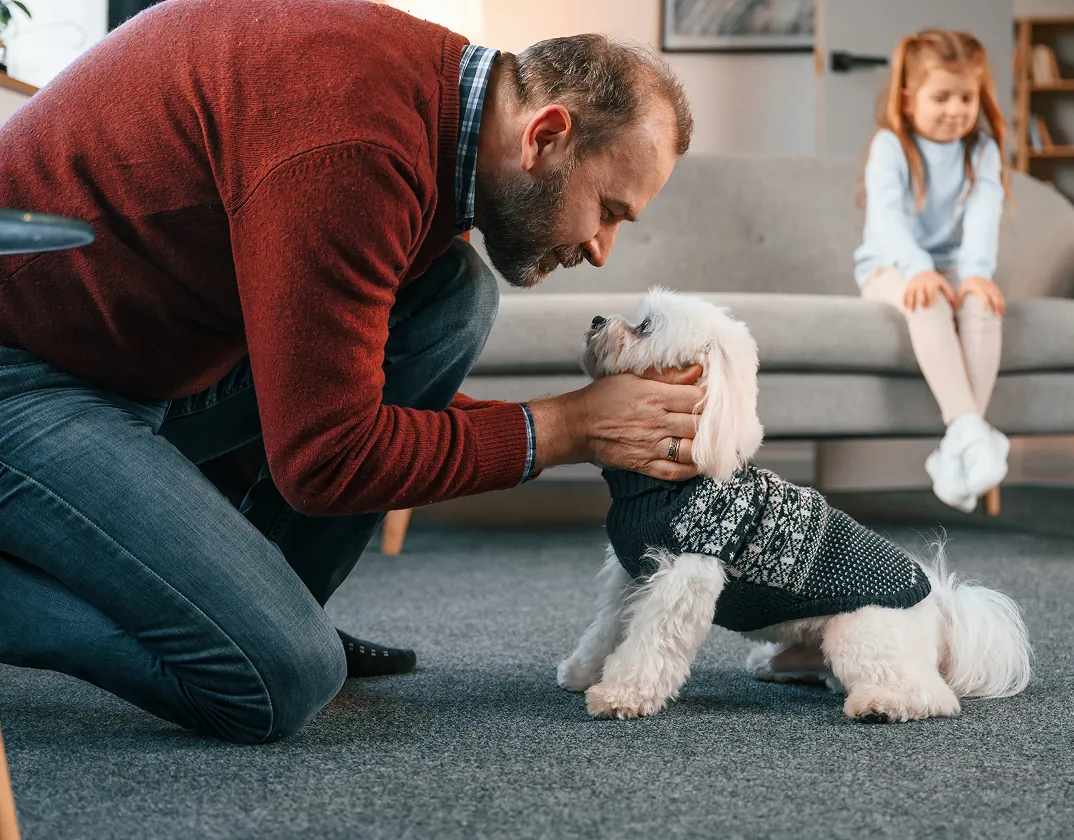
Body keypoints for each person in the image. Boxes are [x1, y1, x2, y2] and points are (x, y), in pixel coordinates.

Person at [0, 0, 701, 743]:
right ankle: (251, 632)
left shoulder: (435, 118)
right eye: (609, 209)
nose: (602, 249)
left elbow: (343, 391)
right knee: (281, 676)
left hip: (138, 361)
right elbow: (329, 457)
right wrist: (566, 428)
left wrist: (563, 422)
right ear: (547, 136)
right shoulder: (353, 146)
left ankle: (270, 600)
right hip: (28, 373)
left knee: (451, 295)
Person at [855, 29, 1012, 513]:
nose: (955, 109)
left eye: (967, 97)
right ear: (908, 99)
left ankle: (957, 450)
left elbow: (986, 214)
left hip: (954, 267)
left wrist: (978, 273)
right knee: (931, 298)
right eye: (941, 97)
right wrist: (918, 268)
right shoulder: (890, 145)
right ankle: (970, 430)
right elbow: (887, 218)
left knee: (981, 303)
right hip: (888, 267)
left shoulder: (981, 149)